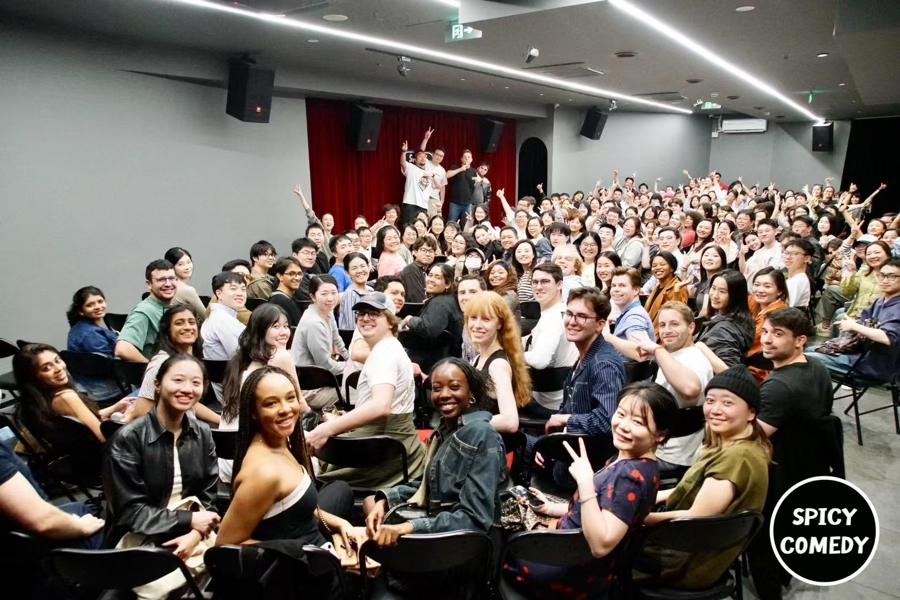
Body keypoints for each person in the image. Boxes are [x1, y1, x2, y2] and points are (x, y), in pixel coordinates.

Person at [505, 383, 679, 600]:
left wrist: (585, 482)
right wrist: (551, 508)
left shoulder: (629, 477)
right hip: (585, 567)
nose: (624, 426)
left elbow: (601, 544)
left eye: (637, 422)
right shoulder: (645, 465)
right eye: (621, 414)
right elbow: (606, 509)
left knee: (499, 546)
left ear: (661, 435)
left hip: (564, 570)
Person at [641, 366, 770, 589]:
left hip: (685, 561)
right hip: (692, 549)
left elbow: (695, 518)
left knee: (601, 548)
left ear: (751, 413)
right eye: (710, 401)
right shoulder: (740, 444)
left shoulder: (736, 459)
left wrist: (641, 518)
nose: (715, 410)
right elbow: (692, 488)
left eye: (728, 403)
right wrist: (652, 497)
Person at [216, 365, 355, 557]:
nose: (286, 409)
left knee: (341, 489)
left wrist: (341, 524)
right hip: (302, 565)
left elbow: (298, 507)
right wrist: (309, 556)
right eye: (271, 403)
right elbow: (225, 546)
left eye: (290, 398)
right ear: (253, 412)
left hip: (314, 544)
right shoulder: (264, 473)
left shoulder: (280, 440)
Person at [365, 358, 506, 543]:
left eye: (454, 387)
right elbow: (429, 485)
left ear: (471, 393)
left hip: (464, 542)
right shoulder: (445, 429)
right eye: (437, 388)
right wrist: (385, 501)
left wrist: (409, 527)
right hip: (438, 520)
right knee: (372, 502)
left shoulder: (483, 435)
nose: (444, 395)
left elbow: (475, 519)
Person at [748, 308, 835, 599]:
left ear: (800, 340)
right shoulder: (817, 366)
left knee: (763, 543)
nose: (767, 340)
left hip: (779, 476)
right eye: (766, 332)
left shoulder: (779, 386)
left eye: (778, 334)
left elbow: (750, 437)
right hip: (810, 467)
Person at [307, 293, 426, 489]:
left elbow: (381, 406)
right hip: (391, 446)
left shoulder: (383, 353)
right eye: (361, 313)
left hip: (379, 454)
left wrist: (327, 429)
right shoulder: (389, 347)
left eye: (374, 313)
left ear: (390, 321)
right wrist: (348, 419)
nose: (365, 318)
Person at [103, 354, 220, 554]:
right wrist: (189, 520)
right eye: (178, 380)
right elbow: (130, 513)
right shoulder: (128, 439)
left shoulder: (202, 433)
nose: (187, 389)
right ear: (157, 385)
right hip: (142, 537)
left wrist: (195, 534)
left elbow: (208, 498)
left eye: (196, 383)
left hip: (192, 529)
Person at [539, 288, 625, 489]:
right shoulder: (585, 354)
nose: (571, 321)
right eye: (569, 314)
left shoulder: (603, 364)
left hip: (585, 471)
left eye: (582, 316)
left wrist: (564, 419)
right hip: (569, 454)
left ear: (600, 324)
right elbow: (571, 405)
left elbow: (607, 420)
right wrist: (549, 441)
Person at [620, 303, 715, 473]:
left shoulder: (695, 358)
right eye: (662, 325)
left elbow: (691, 389)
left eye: (674, 324)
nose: (667, 330)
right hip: (660, 446)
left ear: (691, 328)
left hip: (671, 455)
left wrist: (657, 350)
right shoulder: (675, 355)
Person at [219, 305, 306, 483]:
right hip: (257, 462)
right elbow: (301, 405)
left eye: (286, 326)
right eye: (276, 326)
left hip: (227, 459)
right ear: (260, 329)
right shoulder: (280, 356)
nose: (284, 332)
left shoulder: (239, 360)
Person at [13, 344, 131, 444]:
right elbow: (103, 438)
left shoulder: (40, 400)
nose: (58, 368)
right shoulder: (65, 398)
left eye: (57, 360)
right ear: (33, 377)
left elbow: (81, 423)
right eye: (47, 368)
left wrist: (113, 408)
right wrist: (129, 416)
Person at [807, 257, 900, 381]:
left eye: (892, 276)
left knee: (804, 359)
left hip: (871, 365)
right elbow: (865, 323)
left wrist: (854, 326)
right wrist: (854, 325)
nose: (884, 280)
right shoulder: (880, 301)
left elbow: (888, 338)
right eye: (881, 275)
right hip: (858, 354)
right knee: (810, 350)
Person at [0, 441, 104, 551]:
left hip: (22, 537)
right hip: (32, 548)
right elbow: (44, 522)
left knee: (78, 507)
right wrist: (82, 528)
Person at [129, 306, 220, 426]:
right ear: (167, 331)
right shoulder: (160, 363)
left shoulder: (188, 361)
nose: (188, 327)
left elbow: (191, 404)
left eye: (191, 322)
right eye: (179, 323)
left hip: (191, 428)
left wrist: (223, 422)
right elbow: (141, 411)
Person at [465, 291, 532, 433]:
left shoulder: (497, 365)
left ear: (500, 324)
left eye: (486, 319)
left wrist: (463, 422)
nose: (477, 325)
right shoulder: (478, 359)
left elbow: (510, 421)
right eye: (473, 318)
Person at [522, 264, 578, 417]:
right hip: (563, 396)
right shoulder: (562, 311)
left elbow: (539, 361)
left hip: (547, 403)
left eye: (545, 281)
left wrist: (514, 354)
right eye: (535, 282)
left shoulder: (552, 318)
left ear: (559, 284)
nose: (539, 287)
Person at [291, 275, 347, 410]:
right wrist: (353, 367)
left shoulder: (327, 311)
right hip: (311, 390)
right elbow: (327, 366)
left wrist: (350, 359)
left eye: (334, 293)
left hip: (320, 380)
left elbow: (337, 339)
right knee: (359, 390)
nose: (330, 298)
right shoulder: (314, 324)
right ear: (313, 296)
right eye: (324, 294)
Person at [399, 263, 463, 374]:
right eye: (430, 275)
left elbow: (428, 329)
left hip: (433, 365)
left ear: (447, 284)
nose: (431, 280)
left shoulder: (440, 303)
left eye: (437, 277)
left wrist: (409, 319)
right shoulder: (447, 300)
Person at [66, 286, 121, 402]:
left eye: (100, 301)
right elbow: (110, 365)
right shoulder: (91, 334)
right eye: (90, 305)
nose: (98, 307)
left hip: (88, 386)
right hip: (107, 389)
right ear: (81, 311)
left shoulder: (78, 328)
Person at [115, 259, 176, 362]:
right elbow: (123, 349)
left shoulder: (173, 308)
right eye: (161, 280)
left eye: (171, 278)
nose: (168, 284)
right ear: (149, 284)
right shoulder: (143, 312)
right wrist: (152, 368)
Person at [694, 270, 755, 369]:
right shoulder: (742, 318)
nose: (715, 295)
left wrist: (700, 347)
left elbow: (729, 370)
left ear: (736, 295)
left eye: (722, 291)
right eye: (713, 288)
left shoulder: (724, 330)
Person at [201, 272, 247, 401]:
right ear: (219, 293)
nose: (240, 293)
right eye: (233, 288)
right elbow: (243, 358)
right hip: (233, 393)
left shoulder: (219, 318)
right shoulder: (224, 321)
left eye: (243, 289)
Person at [644, 252, 689, 332]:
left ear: (672, 268)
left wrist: (677, 291)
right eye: (654, 266)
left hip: (664, 332)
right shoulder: (656, 288)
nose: (658, 268)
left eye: (662, 264)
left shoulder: (678, 287)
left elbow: (679, 313)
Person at [607, 267, 654, 343]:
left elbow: (638, 348)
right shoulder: (631, 313)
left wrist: (607, 335)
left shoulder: (635, 317)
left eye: (622, 285)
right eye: (613, 285)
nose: (616, 289)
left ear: (636, 290)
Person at [207, 259, 253, 325]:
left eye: (248, 277)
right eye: (240, 275)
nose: (244, 279)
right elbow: (256, 320)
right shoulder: (222, 299)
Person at [164, 247, 206, 317]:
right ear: (171, 267)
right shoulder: (187, 290)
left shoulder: (166, 285)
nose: (187, 267)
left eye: (189, 262)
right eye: (180, 264)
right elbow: (206, 318)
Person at [399, 142, 433, 226]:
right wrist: (404, 152)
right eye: (420, 156)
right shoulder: (411, 167)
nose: (423, 158)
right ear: (415, 159)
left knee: (422, 227)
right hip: (411, 203)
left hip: (424, 205)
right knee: (409, 226)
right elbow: (403, 163)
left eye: (424, 156)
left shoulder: (429, 173)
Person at [338, 252, 374, 330]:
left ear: (368, 267)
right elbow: (352, 327)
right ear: (347, 273)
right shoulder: (351, 294)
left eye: (362, 266)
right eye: (354, 268)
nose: (360, 270)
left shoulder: (371, 290)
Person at [457, 274, 488, 365]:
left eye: (473, 292)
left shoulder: (492, 324)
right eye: (462, 292)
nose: (466, 297)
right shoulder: (467, 323)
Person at [399, 236, 437, 304]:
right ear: (415, 252)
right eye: (423, 250)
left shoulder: (425, 270)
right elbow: (417, 300)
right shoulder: (411, 270)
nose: (427, 254)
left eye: (431, 251)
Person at [267, 256, 304, 327]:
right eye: (292, 274)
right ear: (280, 276)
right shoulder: (282, 301)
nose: (297, 278)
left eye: (299, 274)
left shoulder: (280, 298)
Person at [445, 149, 477, 225]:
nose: (467, 159)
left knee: (466, 225)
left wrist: (480, 179)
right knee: (451, 224)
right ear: (461, 159)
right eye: (465, 157)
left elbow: (485, 180)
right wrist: (461, 169)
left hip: (468, 204)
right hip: (455, 203)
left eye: (469, 157)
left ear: (471, 159)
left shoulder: (474, 171)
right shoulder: (456, 167)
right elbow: (447, 175)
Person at [782, 238, 814, 309]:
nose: (788, 257)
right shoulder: (795, 279)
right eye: (786, 253)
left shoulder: (798, 281)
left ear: (807, 258)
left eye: (794, 253)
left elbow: (785, 308)